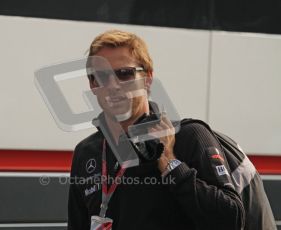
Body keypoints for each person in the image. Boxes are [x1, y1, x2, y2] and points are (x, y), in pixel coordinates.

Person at [67, 29, 245, 230]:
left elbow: (232, 219)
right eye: (101, 76)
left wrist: (170, 163)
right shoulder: (86, 151)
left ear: (148, 78)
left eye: (125, 73)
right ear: (92, 84)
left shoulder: (188, 136)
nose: (113, 85)